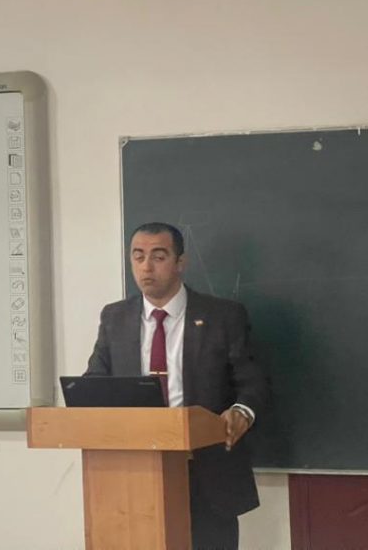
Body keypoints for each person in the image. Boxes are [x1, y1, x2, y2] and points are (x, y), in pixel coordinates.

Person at [85, 221, 269, 550]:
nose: (146, 267)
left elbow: (252, 381)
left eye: (158, 257)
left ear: (180, 262)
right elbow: (95, 383)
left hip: (206, 470)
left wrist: (241, 411)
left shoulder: (223, 316)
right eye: (138, 256)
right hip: (135, 473)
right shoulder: (115, 318)